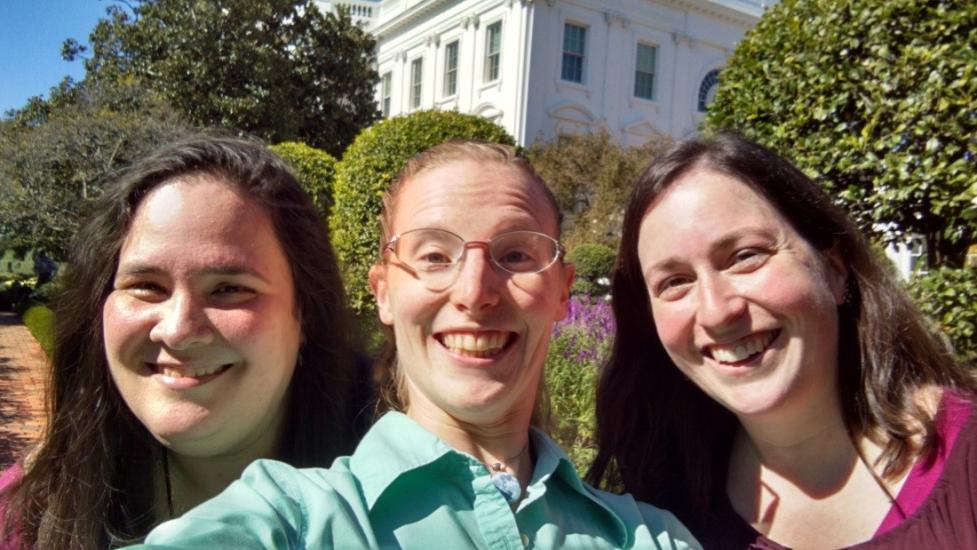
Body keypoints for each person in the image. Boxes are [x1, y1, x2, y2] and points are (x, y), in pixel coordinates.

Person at [132, 140, 699, 549]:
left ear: (561, 294)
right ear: (383, 294)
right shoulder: (296, 519)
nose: (475, 292)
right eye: (433, 256)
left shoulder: (649, 537)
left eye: (517, 254)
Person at [589, 132, 977, 548]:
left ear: (834, 269)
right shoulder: (660, 513)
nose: (718, 312)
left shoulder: (965, 464)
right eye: (675, 282)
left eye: (745, 256)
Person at [0, 135, 371, 549]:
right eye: (145, 286)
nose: (177, 329)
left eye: (229, 288)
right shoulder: (22, 522)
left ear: (305, 314)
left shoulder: (406, 509)